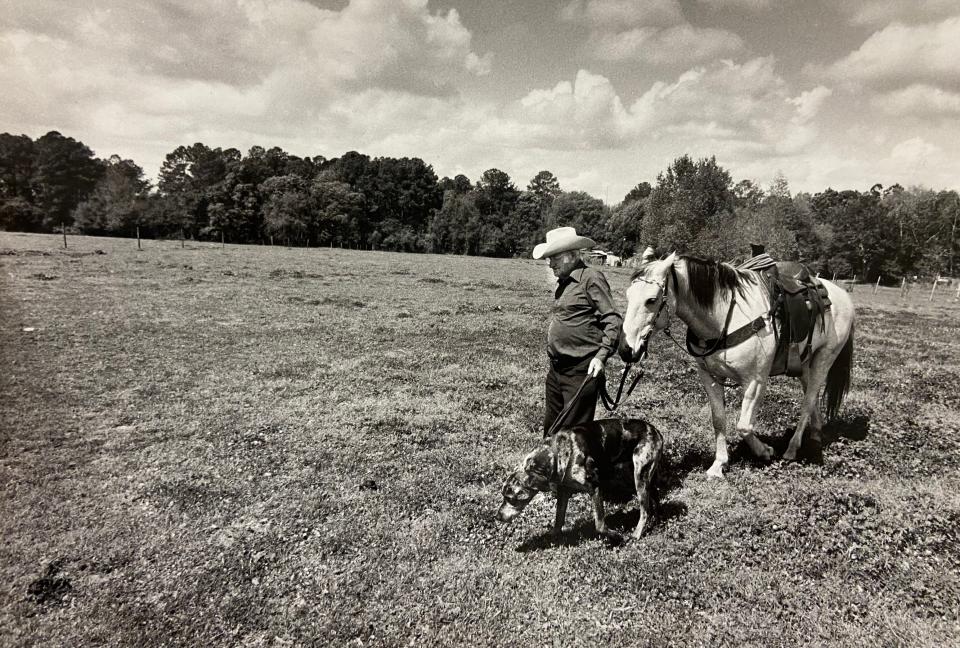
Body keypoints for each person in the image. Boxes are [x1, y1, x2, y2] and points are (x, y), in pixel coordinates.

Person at [532, 227, 623, 437]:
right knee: (551, 431)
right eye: (548, 259)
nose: (550, 263)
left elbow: (612, 320)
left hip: (581, 370)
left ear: (572, 255)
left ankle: (579, 470)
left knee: (573, 436)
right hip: (557, 370)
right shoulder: (564, 283)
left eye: (555, 257)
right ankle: (551, 470)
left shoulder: (591, 279)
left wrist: (601, 357)